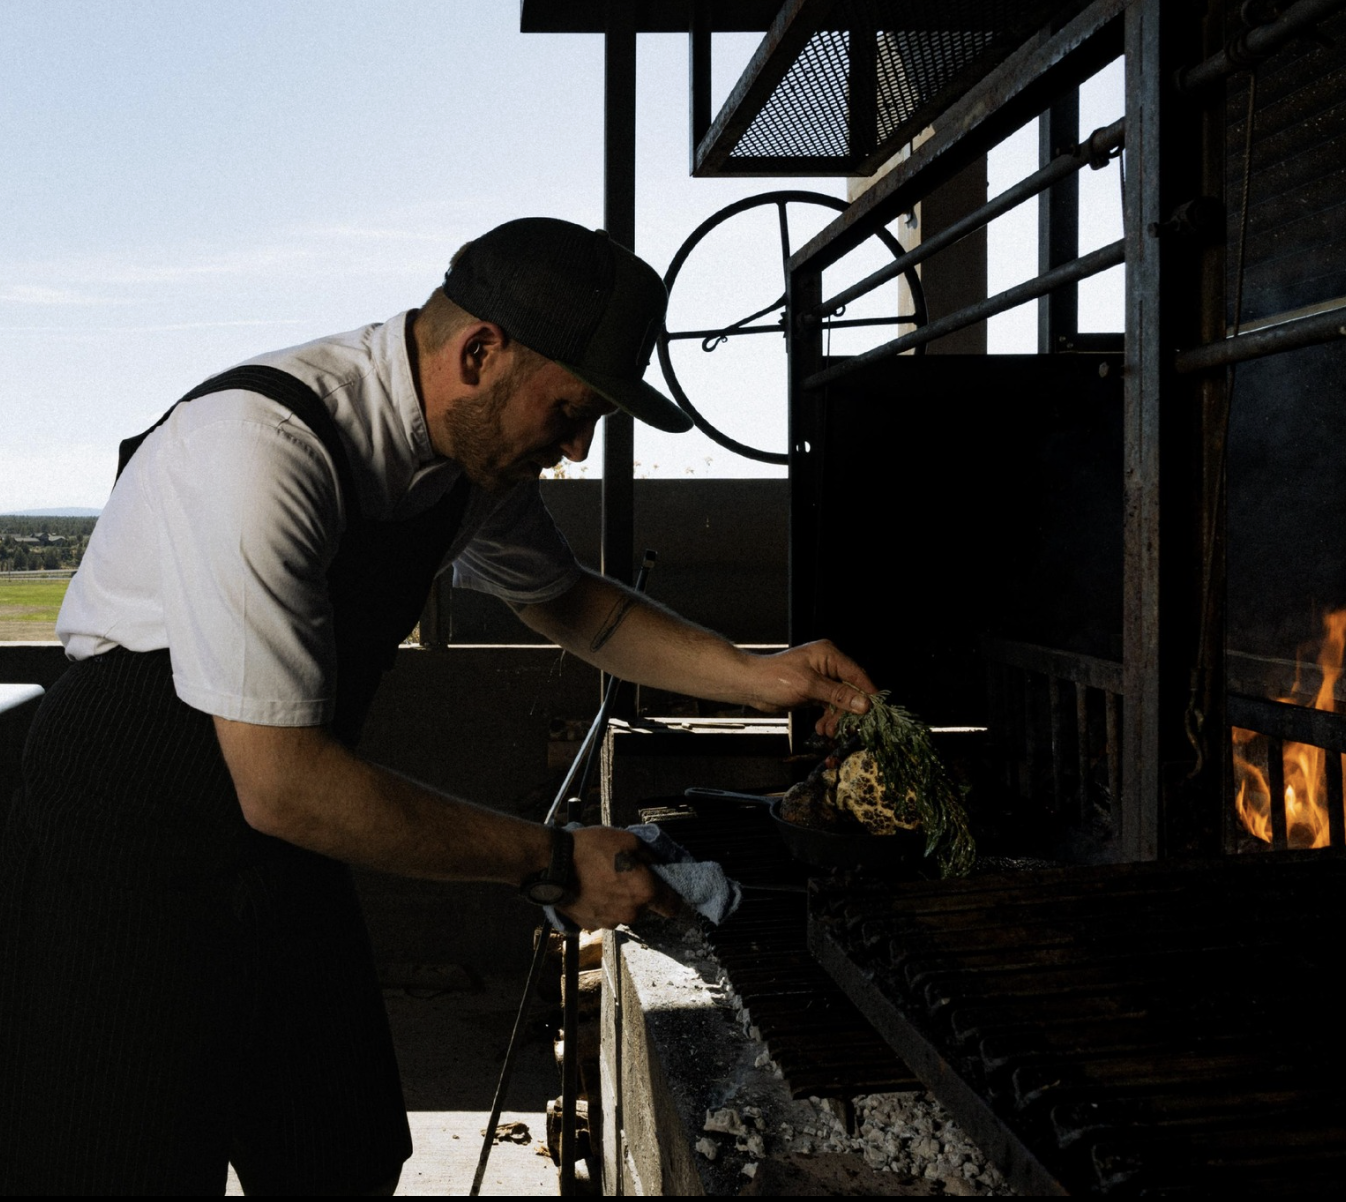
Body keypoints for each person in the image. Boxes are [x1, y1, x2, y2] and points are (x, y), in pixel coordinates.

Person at [0, 218, 874, 1195]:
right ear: (480, 351)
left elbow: (571, 603)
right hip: (124, 841)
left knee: (340, 1149)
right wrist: (548, 861)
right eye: (571, 410)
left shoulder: (471, 463)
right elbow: (284, 783)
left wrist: (762, 675)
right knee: (126, 1166)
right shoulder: (256, 448)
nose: (576, 447)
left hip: (269, 838)